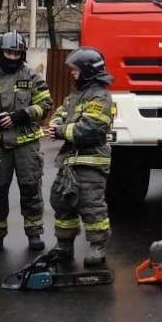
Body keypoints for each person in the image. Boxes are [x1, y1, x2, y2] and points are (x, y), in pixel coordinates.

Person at [0, 31, 53, 253]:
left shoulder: (31, 76)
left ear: (22, 55)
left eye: (17, 54)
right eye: (9, 53)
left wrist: (22, 115)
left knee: (31, 188)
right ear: (1, 52)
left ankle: (34, 234)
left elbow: (46, 104)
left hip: (26, 145)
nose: (12, 57)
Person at [47, 47, 115, 267]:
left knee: (90, 204)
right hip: (69, 160)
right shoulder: (75, 94)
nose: (72, 73)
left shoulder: (100, 96)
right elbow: (60, 114)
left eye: (75, 70)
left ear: (87, 70)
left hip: (91, 161)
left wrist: (59, 130)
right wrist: (56, 123)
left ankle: (97, 245)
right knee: (61, 200)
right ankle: (64, 244)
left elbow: (91, 129)